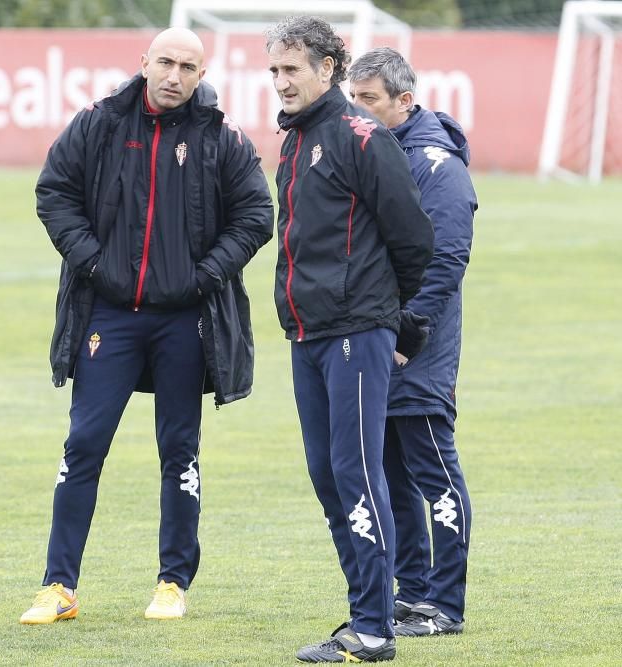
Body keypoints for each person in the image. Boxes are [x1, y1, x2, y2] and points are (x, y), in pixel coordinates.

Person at [21, 27, 273, 625]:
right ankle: (58, 586)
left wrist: (205, 274)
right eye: (166, 62)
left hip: (185, 319)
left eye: (189, 66)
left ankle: (172, 582)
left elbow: (257, 213)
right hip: (108, 314)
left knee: (179, 450)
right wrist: (90, 261)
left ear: (201, 73)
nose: (175, 76)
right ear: (144, 62)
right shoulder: (100, 122)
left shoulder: (221, 136)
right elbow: (53, 192)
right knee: (83, 444)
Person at [265, 16, 434, 663]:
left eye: (292, 69)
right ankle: (368, 609)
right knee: (327, 475)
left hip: (354, 333)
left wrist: (389, 318)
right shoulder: (295, 141)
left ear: (328, 68)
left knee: (355, 472)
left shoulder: (360, 136)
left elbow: (414, 238)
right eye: (274, 70)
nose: (280, 81)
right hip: (308, 334)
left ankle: (373, 625)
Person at [348, 47, 477, 637]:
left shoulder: (437, 165)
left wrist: (408, 331)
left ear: (404, 100)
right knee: (392, 473)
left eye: (369, 99)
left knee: (433, 471)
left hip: (416, 345)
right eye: (355, 99)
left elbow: (447, 259)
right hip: (378, 336)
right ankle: (414, 592)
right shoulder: (378, 150)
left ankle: (446, 605)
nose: (359, 111)